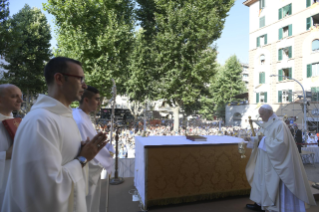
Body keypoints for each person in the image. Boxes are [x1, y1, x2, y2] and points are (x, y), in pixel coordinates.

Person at [1, 57, 107, 212]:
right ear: (59, 78)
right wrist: (82, 159)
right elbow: (44, 190)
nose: (84, 85)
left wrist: (80, 152)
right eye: (80, 79)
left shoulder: (63, 115)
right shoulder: (40, 121)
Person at [245, 104, 315, 212]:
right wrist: (252, 139)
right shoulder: (267, 124)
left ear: (269, 113)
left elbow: (281, 144)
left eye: (262, 114)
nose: (261, 117)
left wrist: (263, 139)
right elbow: (261, 138)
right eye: (260, 115)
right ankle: (260, 203)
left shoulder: (279, 125)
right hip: (265, 160)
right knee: (261, 181)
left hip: (275, 162)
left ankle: (279, 206)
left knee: (274, 184)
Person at [72, 85, 115, 212]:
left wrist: (105, 146)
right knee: (87, 204)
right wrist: (108, 154)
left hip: (86, 167)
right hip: (86, 170)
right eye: (96, 99)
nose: (99, 103)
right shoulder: (80, 120)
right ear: (86, 100)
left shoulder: (81, 115)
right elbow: (87, 148)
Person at [0, 84, 22, 209]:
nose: (20, 100)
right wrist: (6, 155)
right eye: (14, 96)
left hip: (15, 182)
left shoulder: (19, 123)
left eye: (21, 96)